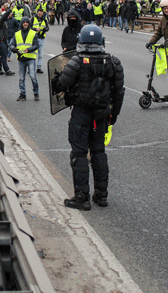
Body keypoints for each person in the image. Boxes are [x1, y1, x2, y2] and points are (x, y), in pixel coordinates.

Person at [52, 25, 125, 210]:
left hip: (81, 113)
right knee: (99, 152)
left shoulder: (76, 61)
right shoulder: (113, 62)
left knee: (79, 154)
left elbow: (61, 85)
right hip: (101, 115)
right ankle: (101, 195)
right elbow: (119, 93)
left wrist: (56, 78)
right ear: (101, 41)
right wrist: (113, 115)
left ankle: (82, 197)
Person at [10, 17, 40, 101]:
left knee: (32, 76)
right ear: (21, 24)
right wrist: (13, 49)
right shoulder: (17, 34)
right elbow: (12, 44)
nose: (25, 24)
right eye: (24, 22)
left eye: (27, 22)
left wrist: (29, 49)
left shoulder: (33, 33)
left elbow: (36, 45)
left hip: (30, 58)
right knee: (21, 78)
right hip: (21, 59)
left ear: (29, 24)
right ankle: (22, 94)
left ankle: (36, 93)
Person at [32, 8, 50, 74]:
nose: (40, 15)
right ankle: (32, 67)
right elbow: (29, 28)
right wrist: (35, 29)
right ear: (37, 13)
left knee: (40, 55)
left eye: (41, 13)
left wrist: (45, 29)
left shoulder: (44, 19)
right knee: (33, 54)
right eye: (39, 13)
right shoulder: (33, 19)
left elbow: (48, 28)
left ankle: (38, 67)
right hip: (34, 38)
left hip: (42, 38)